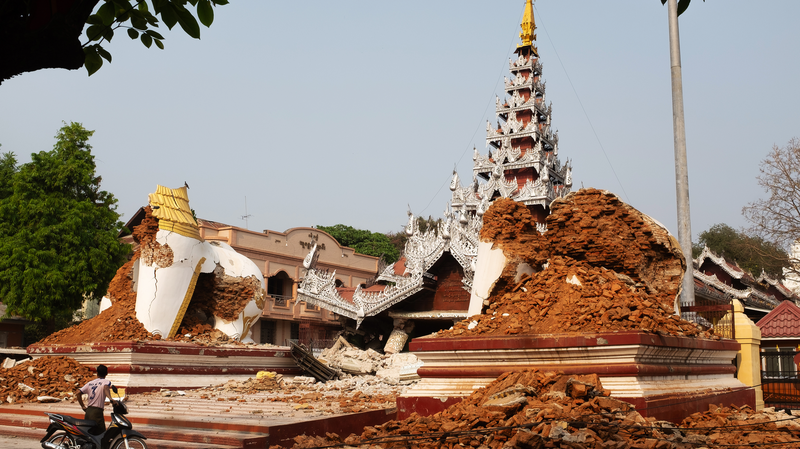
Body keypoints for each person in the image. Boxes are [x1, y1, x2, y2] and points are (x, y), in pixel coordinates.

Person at [75, 364, 119, 435]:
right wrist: (111, 399)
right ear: (106, 373)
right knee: (102, 435)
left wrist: (83, 406)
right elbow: (105, 388)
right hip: (97, 412)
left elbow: (78, 393)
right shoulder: (106, 382)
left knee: (89, 433)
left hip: (88, 411)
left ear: (97, 373)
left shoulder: (90, 383)